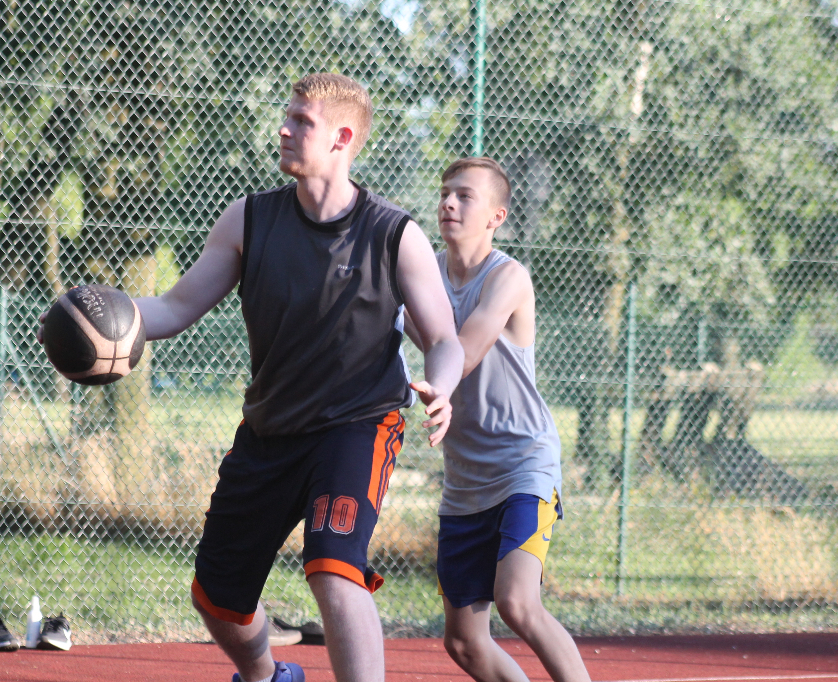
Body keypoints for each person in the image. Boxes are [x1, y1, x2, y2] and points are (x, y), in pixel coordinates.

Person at [41, 74, 463, 682]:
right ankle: (269, 676)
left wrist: (442, 384)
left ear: (343, 138)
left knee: (333, 567)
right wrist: (82, 317)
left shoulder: (394, 234)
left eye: (302, 122)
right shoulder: (250, 219)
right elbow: (175, 306)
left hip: (358, 424)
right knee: (218, 596)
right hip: (270, 430)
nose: (285, 128)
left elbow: (444, 337)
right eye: (286, 116)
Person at [404, 157, 591, 682]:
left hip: (522, 463)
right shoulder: (423, 276)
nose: (448, 203)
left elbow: (465, 347)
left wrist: (437, 387)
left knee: (517, 602)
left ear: (496, 216)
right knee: (463, 641)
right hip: (465, 481)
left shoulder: (508, 277)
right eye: (445, 193)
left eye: (465, 196)